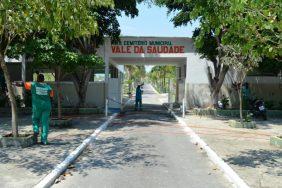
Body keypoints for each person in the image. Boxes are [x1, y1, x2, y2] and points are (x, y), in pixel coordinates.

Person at [24, 74, 54, 145]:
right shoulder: (48, 87)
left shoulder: (34, 85)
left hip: (37, 106)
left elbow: (24, 84)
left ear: (37, 79)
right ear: (43, 79)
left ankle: (36, 129)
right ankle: (44, 140)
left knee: (35, 119)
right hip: (46, 106)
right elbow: (51, 97)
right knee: (45, 123)